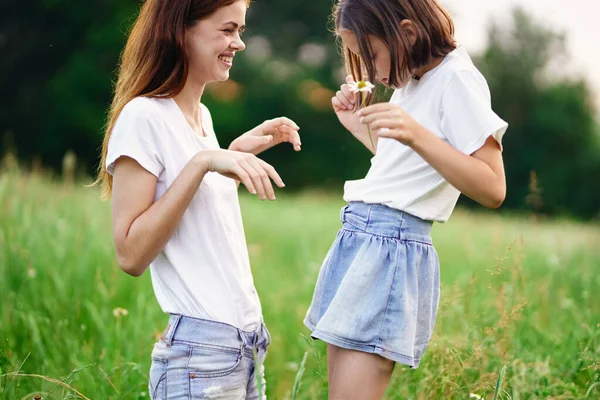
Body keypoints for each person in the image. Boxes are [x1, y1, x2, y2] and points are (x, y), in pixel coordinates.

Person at [95, 0, 301, 398]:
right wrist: (203, 162)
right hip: (200, 357)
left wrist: (235, 154)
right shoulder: (142, 116)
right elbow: (130, 254)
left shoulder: (202, 117)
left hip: (244, 346)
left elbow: (196, 223)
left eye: (239, 30)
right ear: (181, 30)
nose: (238, 43)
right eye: (227, 30)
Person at [304, 0, 508, 398]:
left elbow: (493, 186)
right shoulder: (415, 81)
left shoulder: (457, 80)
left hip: (390, 247)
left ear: (408, 33)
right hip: (360, 237)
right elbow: (406, 170)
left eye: (372, 55)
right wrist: (358, 127)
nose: (371, 71)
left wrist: (415, 133)